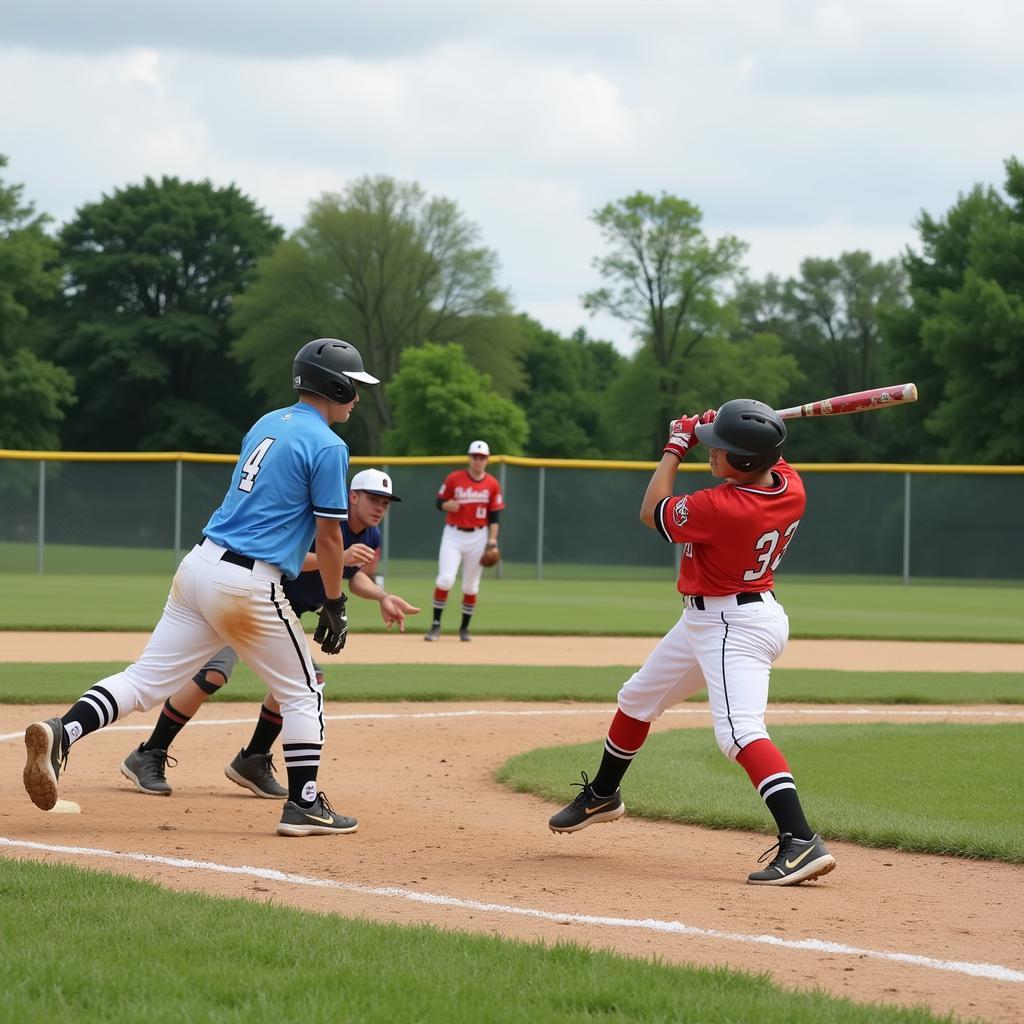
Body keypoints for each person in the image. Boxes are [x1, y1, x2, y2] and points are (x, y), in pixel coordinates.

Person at [23, 337, 381, 837]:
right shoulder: (329, 445)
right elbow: (327, 535)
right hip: (247, 583)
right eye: (354, 387)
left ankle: (65, 730)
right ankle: (303, 803)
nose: (357, 398)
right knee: (303, 691)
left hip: (199, 565)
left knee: (145, 679)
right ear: (336, 385)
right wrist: (336, 604)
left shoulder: (266, 423)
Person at [547, 400, 837, 886]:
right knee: (636, 699)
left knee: (740, 732)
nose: (711, 454)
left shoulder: (722, 505)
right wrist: (715, 425)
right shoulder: (788, 484)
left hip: (730, 625)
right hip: (719, 617)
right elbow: (761, 448)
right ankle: (603, 794)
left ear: (743, 463)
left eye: (719, 449)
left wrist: (676, 444)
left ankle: (800, 839)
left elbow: (650, 511)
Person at [119, 468, 420, 799]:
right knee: (214, 676)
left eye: (385, 503)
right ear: (352, 496)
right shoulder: (325, 524)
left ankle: (252, 759)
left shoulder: (370, 536)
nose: (380, 508)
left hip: (277, 614)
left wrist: (382, 595)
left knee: (297, 682)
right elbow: (290, 558)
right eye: (373, 499)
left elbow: (353, 575)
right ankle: (150, 752)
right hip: (248, 600)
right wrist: (335, 557)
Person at [424, 439, 504, 642]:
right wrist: (446, 506)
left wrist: (492, 541)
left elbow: (494, 517)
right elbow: (438, 502)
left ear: (487, 460)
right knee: (445, 579)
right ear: (470, 458)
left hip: (479, 536)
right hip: (453, 534)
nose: (478, 460)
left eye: (482, 457)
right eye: (475, 456)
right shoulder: (454, 478)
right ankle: (435, 625)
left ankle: (465, 628)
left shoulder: (492, 484)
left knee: (470, 586)